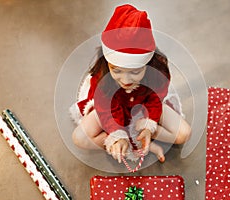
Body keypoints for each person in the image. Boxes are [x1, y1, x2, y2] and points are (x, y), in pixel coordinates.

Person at [70, 4, 191, 164]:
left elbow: (155, 99)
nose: (125, 81)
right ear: (108, 63)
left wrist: (149, 127)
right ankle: (128, 146)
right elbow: (105, 108)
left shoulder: (157, 72)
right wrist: (117, 135)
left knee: (184, 134)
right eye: (117, 71)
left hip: (143, 106)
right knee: (80, 138)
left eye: (135, 72)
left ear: (147, 65)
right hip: (112, 109)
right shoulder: (103, 75)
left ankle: (144, 138)